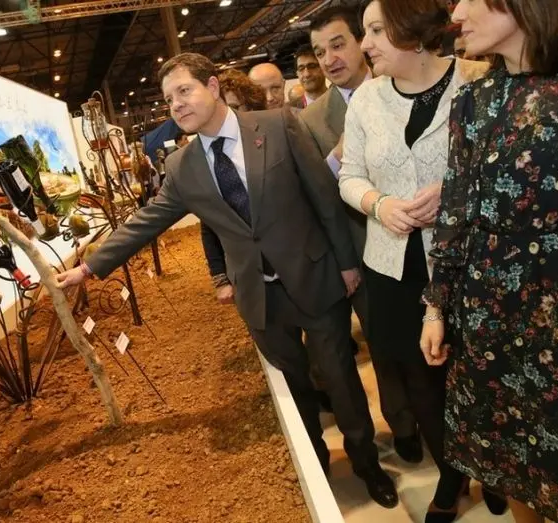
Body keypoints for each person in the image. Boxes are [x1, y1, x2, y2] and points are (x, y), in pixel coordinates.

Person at [55, 52, 398, 508]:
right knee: (296, 390)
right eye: (169, 99)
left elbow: (323, 195)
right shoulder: (182, 167)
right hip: (260, 299)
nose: (176, 104)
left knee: (341, 380)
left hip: (314, 278)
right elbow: (145, 221)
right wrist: (89, 267)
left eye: (184, 91)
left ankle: (367, 464)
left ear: (213, 87)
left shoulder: (276, 125)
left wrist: (347, 263)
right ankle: (314, 462)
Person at [420, 1, 558, 522]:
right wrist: (436, 308)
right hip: (492, 312)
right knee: (511, 458)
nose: (458, 11)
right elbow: (456, 211)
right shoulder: (474, 100)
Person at [339, 0, 507, 520]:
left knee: (482, 373)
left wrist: (454, 190)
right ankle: (451, 478)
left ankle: (498, 471)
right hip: (393, 268)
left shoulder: (480, 79)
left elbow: (506, 168)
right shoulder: (366, 100)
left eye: (375, 30)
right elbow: (349, 176)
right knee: (421, 382)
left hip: (469, 263)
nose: (365, 44)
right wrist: (379, 204)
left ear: (409, 28)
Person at [301, 4, 422, 465]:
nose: (329, 59)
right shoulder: (312, 120)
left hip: (423, 244)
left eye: (338, 45)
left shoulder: (403, 85)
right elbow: (318, 196)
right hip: (363, 251)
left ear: (362, 42)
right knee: (385, 349)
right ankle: (403, 424)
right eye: (319, 52)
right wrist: (338, 155)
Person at [202, 69, 267, 303]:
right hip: (251, 280)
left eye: (235, 107)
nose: (227, 115)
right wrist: (220, 278)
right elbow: (209, 224)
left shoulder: (273, 140)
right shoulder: (215, 158)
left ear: (251, 106)